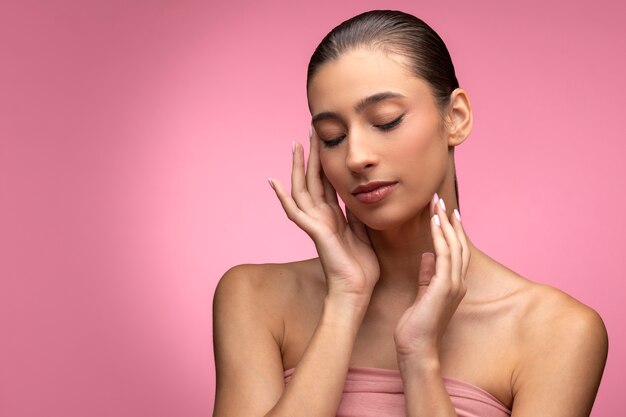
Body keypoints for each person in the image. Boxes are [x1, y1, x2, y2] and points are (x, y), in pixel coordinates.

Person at [212, 9, 608, 417]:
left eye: (386, 121)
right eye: (333, 137)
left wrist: (420, 358)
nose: (356, 157)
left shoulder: (557, 331)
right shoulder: (256, 297)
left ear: (455, 118)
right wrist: (344, 301)